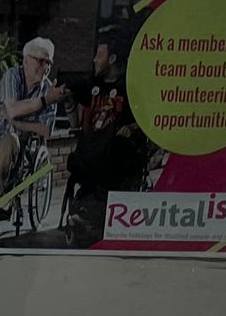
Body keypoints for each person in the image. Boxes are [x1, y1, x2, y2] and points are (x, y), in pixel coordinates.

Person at [63, 29, 157, 247]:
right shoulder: (90, 85)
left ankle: (91, 218)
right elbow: (75, 123)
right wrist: (67, 103)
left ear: (112, 59)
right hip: (91, 153)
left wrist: (133, 127)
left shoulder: (131, 88)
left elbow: (147, 122)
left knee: (115, 151)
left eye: (99, 55)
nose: (95, 59)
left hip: (116, 157)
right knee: (82, 161)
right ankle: (85, 215)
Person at [0, 35, 60, 210]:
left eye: (48, 63)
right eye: (40, 61)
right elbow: (12, 109)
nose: (45, 67)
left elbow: (46, 130)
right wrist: (44, 101)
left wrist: (17, 124)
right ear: (25, 60)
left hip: (20, 155)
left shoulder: (49, 90)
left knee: (10, 138)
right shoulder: (12, 75)